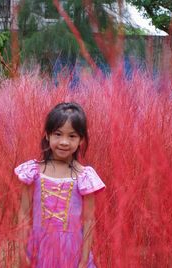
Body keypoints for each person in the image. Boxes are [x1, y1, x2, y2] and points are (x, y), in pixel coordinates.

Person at [15, 102, 105, 268]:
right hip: (38, 249)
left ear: (81, 140)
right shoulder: (33, 172)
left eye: (72, 136)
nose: (64, 142)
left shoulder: (84, 177)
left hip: (72, 253)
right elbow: (24, 214)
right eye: (58, 134)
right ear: (48, 135)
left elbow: (89, 221)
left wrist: (84, 260)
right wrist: (21, 251)